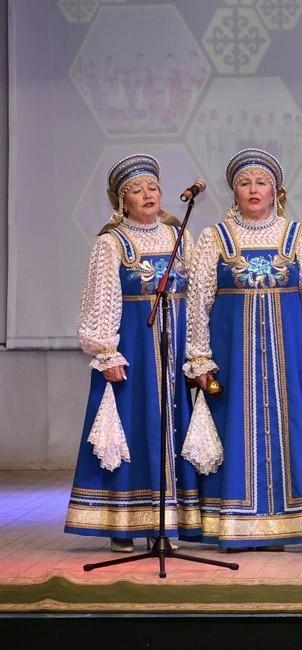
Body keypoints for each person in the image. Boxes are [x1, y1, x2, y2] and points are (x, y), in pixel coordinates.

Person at [184, 148, 302, 549]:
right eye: (245, 183)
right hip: (232, 359)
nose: (253, 189)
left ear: (275, 191)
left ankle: (286, 523)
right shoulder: (214, 238)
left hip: (288, 358)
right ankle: (235, 523)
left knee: (291, 430)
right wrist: (200, 356)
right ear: (234, 191)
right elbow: (197, 302)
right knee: (233, 432)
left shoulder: (297, 235)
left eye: (262, 182)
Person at [66, 154, 199, 551]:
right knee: (133, 429)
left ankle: (164, 524)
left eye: (153, 187)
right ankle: (122, 523)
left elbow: (195, 296)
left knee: (171, 428)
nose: (147, 194)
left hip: (173, 350)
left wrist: (196, 351)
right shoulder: (111, 243)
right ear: (122, 200)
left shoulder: (179, 236)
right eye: (137, 190)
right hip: (134, 352)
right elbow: (100, 300)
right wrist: (107, 351)